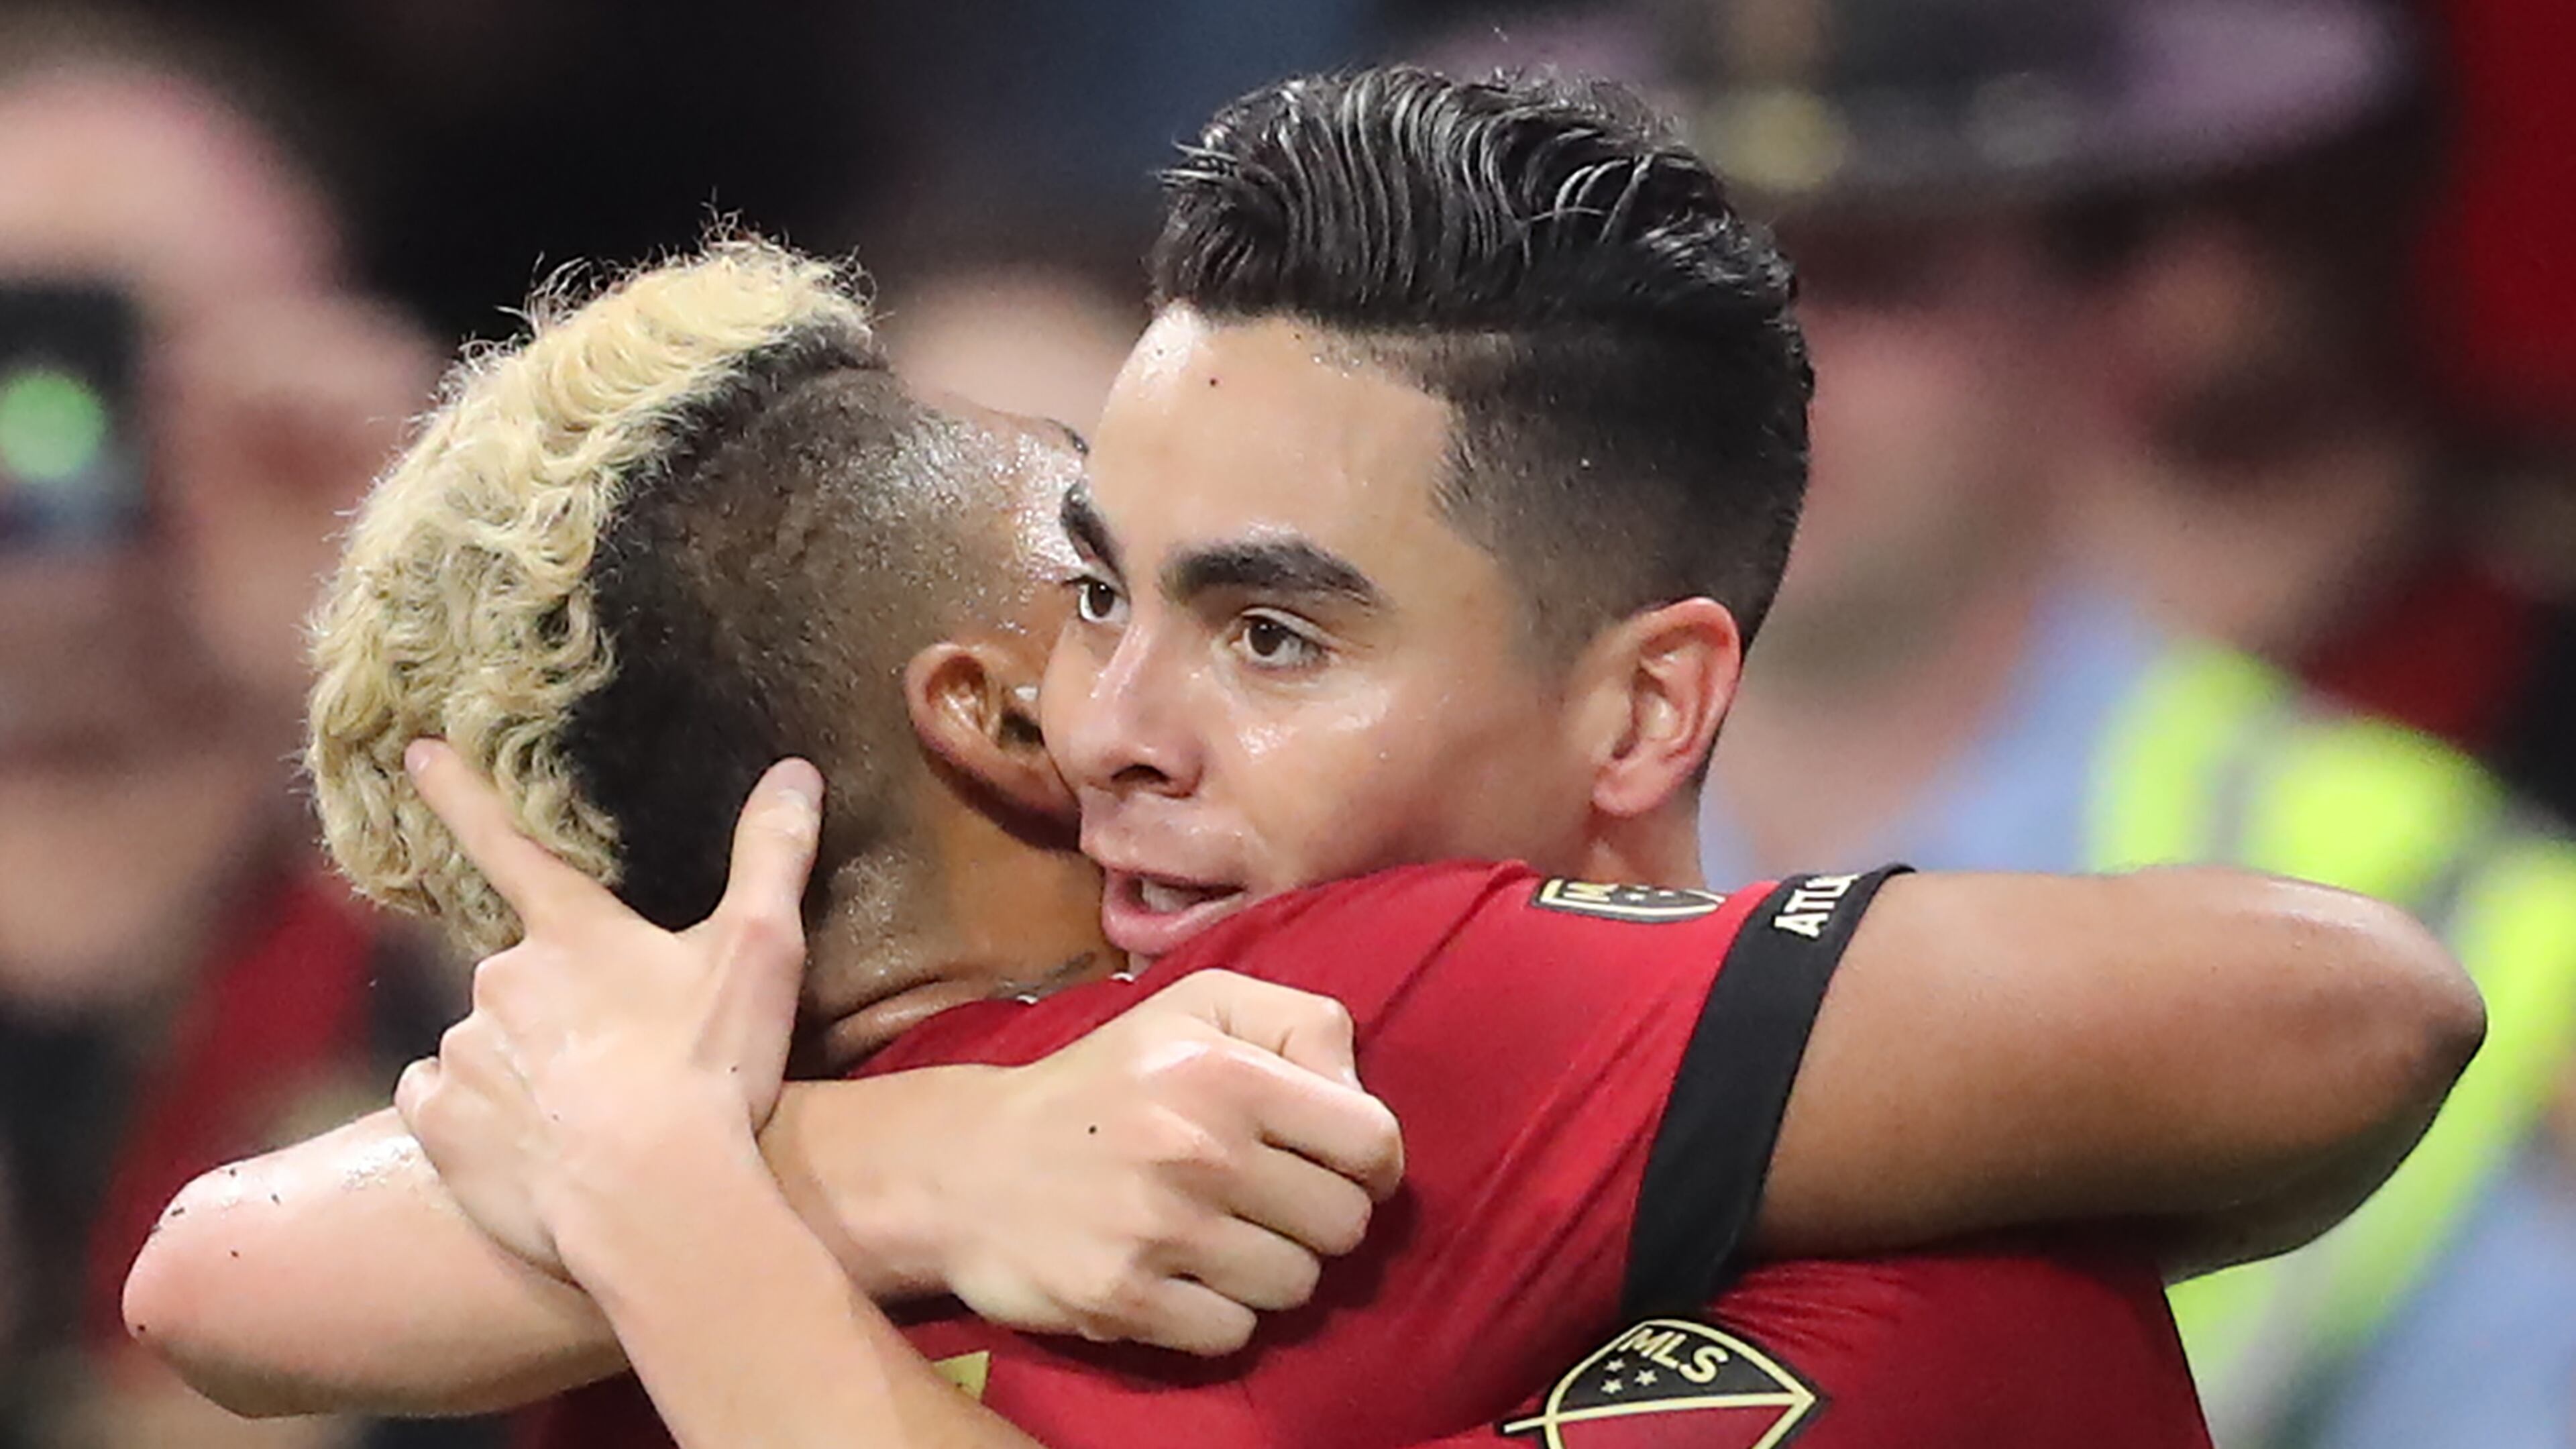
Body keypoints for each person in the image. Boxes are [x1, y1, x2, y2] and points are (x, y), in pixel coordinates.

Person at [131, 80, 2469, 1443]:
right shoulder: (1208, 1052)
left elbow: (222, 1276)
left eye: (1268, 632)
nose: (1116, 725)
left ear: (1646, 704)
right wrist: (905, 1165)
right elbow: (221, 1269)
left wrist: (702, 1185)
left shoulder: (1374, 1019)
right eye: (1105, 592)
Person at [1615, 1, 2576, 1444]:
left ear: (2093, 325)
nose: (1773, 357)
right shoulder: (1405, 798)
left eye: (1877, 277)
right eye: (1703, 280)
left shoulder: (2433, 899)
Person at [0, 20, 466, 1449]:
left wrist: (410, 620)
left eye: (137, 341)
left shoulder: (468, 936)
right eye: (16, 326)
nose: (54, 412)